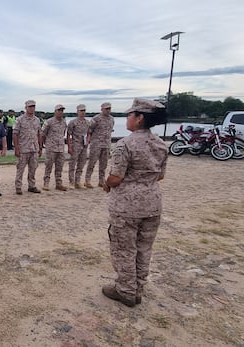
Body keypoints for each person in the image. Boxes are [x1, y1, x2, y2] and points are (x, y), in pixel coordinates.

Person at [101, 98, 168, 308]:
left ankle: (126, 290)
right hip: (152, 205)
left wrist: (107, 183)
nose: (127, 119)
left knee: (124, 248)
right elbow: (160, 176)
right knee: (143, 248)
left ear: (140, 118)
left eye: (130, 115)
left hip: (127, 207)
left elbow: (116, 177)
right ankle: (138, 288)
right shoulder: (160, 144)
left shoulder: (125, 144)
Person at [13, 100, 42, 194]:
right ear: (25, 108)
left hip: (34, 148)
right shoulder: (20, 119)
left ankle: (32, 186)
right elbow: (15, 134)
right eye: (30, 107)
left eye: (33, 106)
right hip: (23, 148)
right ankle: (18, 187)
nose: (32, 108)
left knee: (33, 169)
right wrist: (16, 148)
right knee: (20, 169)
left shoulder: (37, 120)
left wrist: (40, 148)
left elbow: (39, 134)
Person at [85, 102, 115, 188]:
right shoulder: (96, 118)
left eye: (109, 108)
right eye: (106, 109)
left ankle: (101, 181)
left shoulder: (111, 119)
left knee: (103, 164)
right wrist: (88, 141)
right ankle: (87, 180)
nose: (108, 110)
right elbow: (89, 130)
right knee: (92, 163)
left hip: (106, 145)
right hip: (96, 144)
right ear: (102, 109)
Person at [41, 104, 68, 191]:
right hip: (51, 148)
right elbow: (43, 134)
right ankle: (46, 183)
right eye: (59, 110)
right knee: (48, 166)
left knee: (59, 167)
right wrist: (45, 144)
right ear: (55, 111)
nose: (60, 112)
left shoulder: (64, 122)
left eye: (62, 111)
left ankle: (58, 184)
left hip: (60, 148)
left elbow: (63, 133)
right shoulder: (49, 122)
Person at [67, 104, 91, 189]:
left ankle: (78, 181)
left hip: (84, 146)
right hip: (75, 145)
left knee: (81, 164)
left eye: (84, 111)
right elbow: (68, 135)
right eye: (81, 111)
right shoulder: (73, 122)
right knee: (72, 164)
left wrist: (88, 140)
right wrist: (69, 146)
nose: (82, 112)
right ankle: (71, 182)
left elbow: (89, 133)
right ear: (77, 111)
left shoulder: (88, 122)